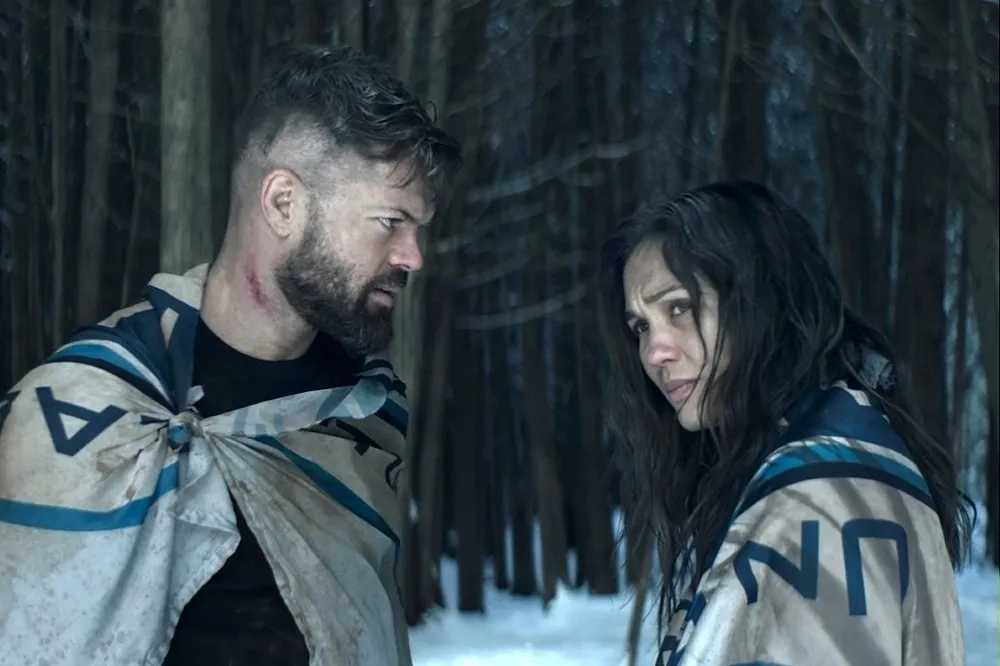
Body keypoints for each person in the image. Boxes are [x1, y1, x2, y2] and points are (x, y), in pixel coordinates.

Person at [0, 44, 462, 666]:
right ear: (282, 203)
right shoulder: (75, 406)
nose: (413, 256)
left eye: (418, 230)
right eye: (390, 222)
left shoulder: (365, 420)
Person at [597, 181, 974, 666]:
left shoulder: (820, 498)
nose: (654, 352)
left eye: (680, 308)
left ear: (760, 301)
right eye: (641, 327)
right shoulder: (828, 458)